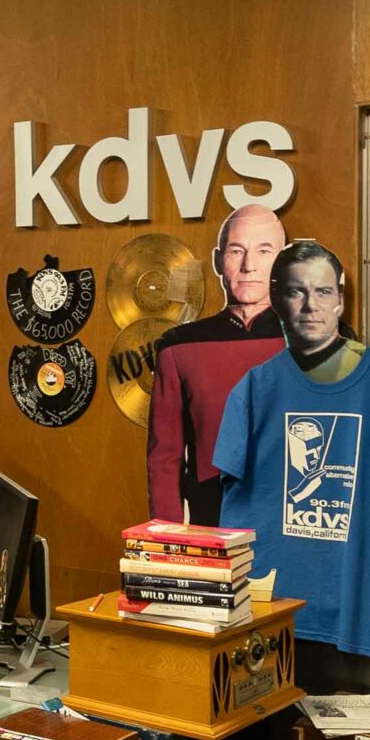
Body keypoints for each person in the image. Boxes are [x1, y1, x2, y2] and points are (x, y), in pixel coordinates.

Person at [210, 241, 370, 675]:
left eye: (323, 291)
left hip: (355, 628)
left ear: (340, 301)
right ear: (278, 303)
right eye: (296, 291)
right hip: (268, 622)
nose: (310, 305)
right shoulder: (255, 389)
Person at [145, 202, 286, 524]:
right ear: (218, 260)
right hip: (213, 522)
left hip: (298, 523)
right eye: (237, 251)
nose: (249, 265)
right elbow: (164, 460)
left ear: (283, 260)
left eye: (264, 251)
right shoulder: (179, 346)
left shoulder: (315, 343)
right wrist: (167, 540)